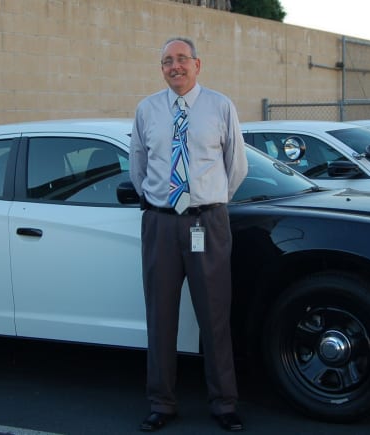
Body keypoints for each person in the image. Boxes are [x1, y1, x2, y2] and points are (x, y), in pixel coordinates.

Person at [129, 37, 248, 432]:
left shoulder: (220, 106)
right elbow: (138, 164)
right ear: (161, 68)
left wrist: (208, 202)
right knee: (160, 317)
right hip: (161, 224)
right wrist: (162, 202)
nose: (174, 66)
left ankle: (224, 402)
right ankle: (161, 402)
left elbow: (236, 166)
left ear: (198, 64)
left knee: (214, 316)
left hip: (206, 224)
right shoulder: (147, 110)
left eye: (181, 59)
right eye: (166, 61)